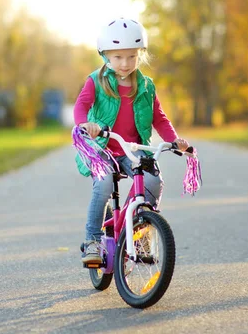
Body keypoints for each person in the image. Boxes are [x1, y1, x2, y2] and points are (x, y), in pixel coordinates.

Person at [73, 17, 189, 265]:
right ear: (105, 55)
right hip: (103, 150)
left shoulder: (146, 85)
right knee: (103, 185)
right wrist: (85, 125)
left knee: (153, 181)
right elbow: (81, 105)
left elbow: (159, 118)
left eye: (131, 57)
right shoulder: (96, 80)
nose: (125, 64)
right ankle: (93, 241)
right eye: (118, 57)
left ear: (140, 55)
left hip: (132, 151)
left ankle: (137, 228)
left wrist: (175, 140)